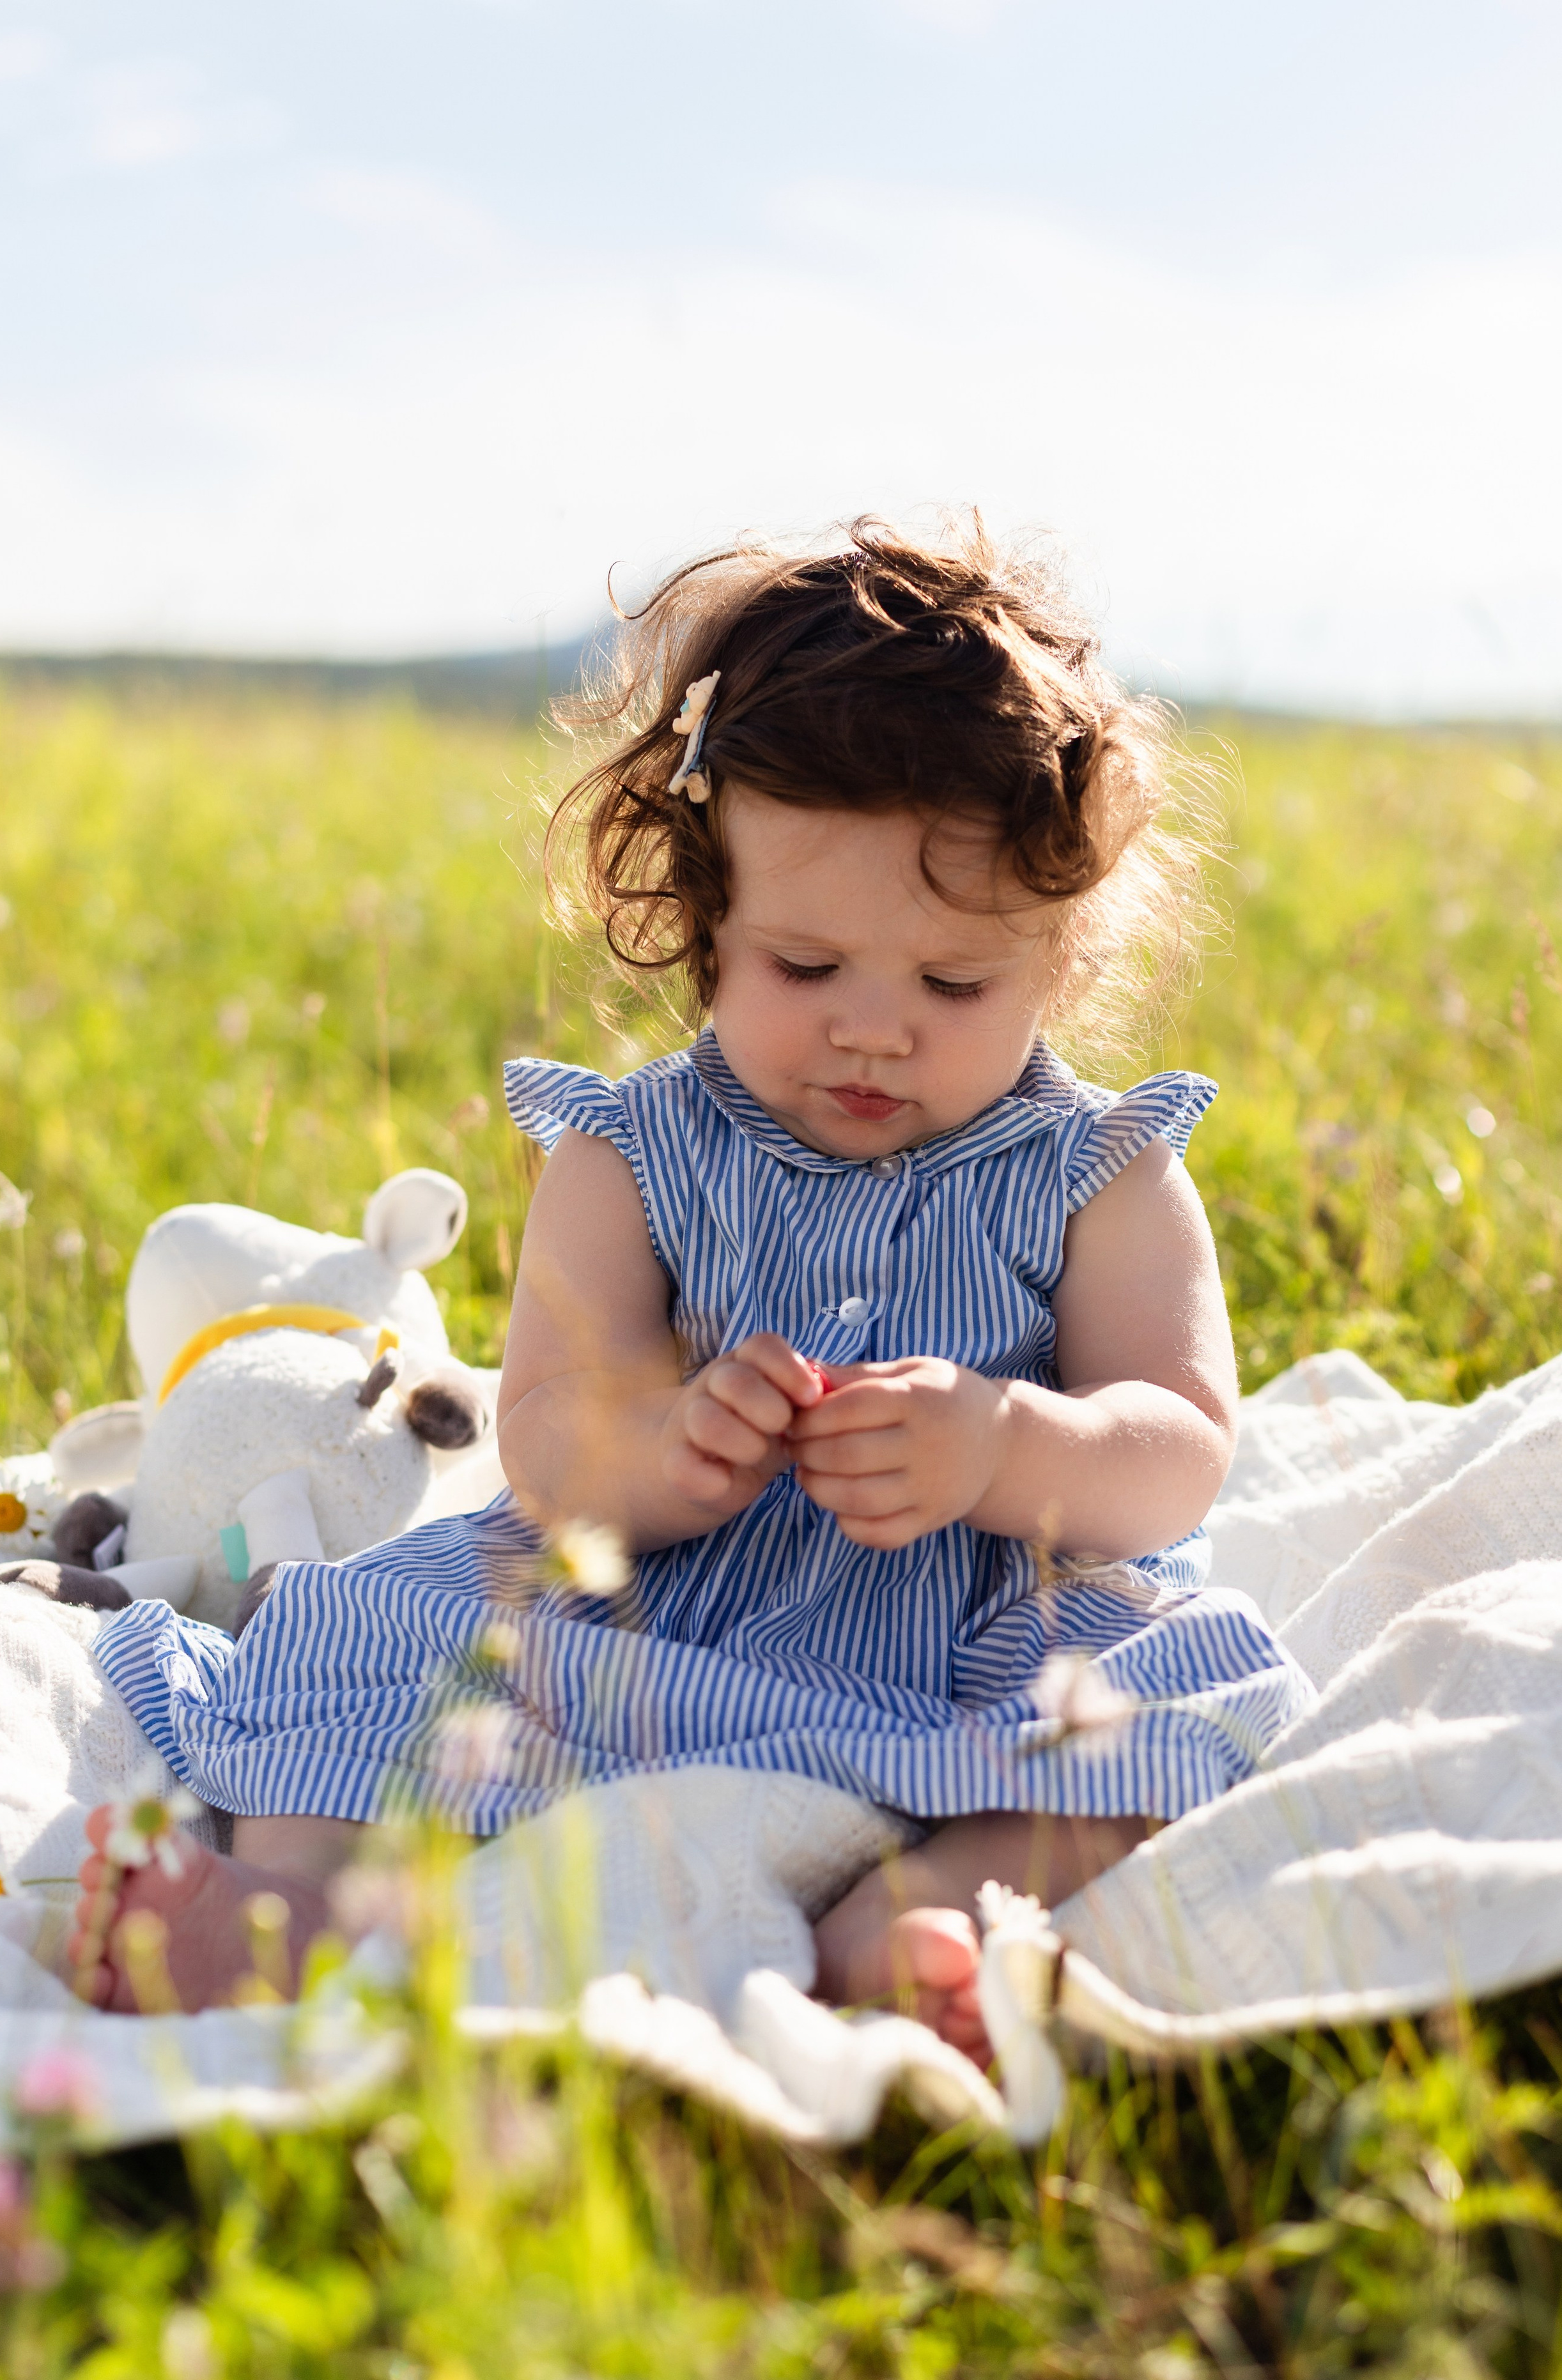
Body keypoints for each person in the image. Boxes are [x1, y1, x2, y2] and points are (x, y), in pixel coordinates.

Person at [73, 518, 1313, 2051]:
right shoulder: (633, 1153)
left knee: (1183, 1689)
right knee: (364, 1634)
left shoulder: (1097, 1170)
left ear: (1056, 961)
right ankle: (296, 1906)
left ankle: (923, 1906)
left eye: (950, 985)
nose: (873, 1031)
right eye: (805, 970)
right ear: (707, 921)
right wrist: (656, 1452)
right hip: (640, 1611)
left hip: (969, 1619)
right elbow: (548, 1428)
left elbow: (1177, 1446)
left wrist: (1007, 1446)